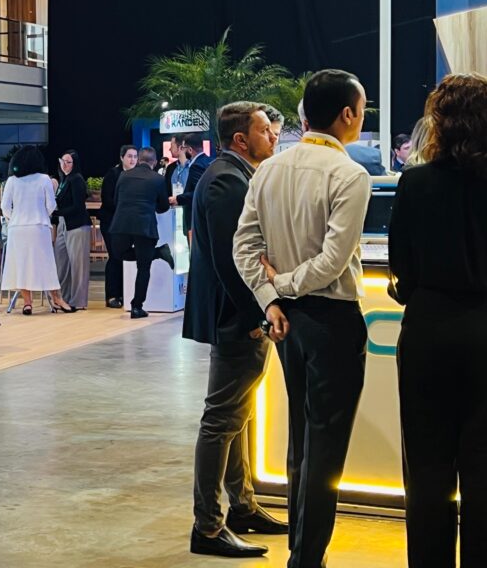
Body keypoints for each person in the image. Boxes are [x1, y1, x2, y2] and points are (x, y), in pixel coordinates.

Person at [388, 74, 487, 568]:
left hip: (429, 331)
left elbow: (401, 267)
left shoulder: (414, 183)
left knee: (427, 470)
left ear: (439, 120)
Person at [233, 69, 370, 568]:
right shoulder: (350, 175)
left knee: (302, 438)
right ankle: (307, 558)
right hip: (332, 318)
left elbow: (244, 246)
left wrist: (271, 298)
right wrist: (284, 288)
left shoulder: (268, 169)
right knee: (325, 446)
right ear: (347, 114)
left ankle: (302, 551)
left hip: (286, 320)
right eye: (362, 110)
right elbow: (333, 261)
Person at [185, 102, 287, 559]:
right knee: (221, 418)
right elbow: (235, 261)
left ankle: (242, 506)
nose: (274, 136)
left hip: (237, 315)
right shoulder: (227, 179)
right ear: (241, 139)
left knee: (237, 416)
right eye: (265, 130)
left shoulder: (234, 174)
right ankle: (208, 527)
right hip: (236, 318)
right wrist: (256, 316)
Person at [0, 146, 75, 315]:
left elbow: (5, 207)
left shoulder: (12, 180)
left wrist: (15, 218)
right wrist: (42, 214)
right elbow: (51, 205)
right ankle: (57, 299)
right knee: (46, 264)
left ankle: (27, 303)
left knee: (21, 265)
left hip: (17, 229)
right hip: (39, 227)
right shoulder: (44, 179)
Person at [110, 146, 171, 319]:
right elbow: (163, 207)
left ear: (139, 160)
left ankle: (158, 253)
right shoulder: (158, 179)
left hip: (122, 224)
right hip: (145, 226)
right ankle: (137, 307)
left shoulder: (124, 175)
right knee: (143, 268)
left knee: (119, 254)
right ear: (154, 162)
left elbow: (116, 199)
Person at [100, 145, 139, 308]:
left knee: (124, 257)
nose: (132, 159)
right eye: (129, 156)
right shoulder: (113, 174)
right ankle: (112, 295)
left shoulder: (137, 175)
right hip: (111, 223)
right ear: (122, 157)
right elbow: (107, 200)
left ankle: (124, 293)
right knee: (115, 256)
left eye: (135, 156)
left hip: (127, 224)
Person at [53, 149, 91, 310]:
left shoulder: (76, 179)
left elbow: (78, 206)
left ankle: (78, 301)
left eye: (69, 162)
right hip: (64, 224)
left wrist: (56, 212)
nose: (65, 165)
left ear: (74, 164)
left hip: (77, 225)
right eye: (63, 161)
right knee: (62, 261)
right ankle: (63, 298)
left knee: (78, 266)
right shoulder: (64, 180)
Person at [174, 132, 213, 236]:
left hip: (196, 220)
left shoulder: (196, 166)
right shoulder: (210, 161)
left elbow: (198, 192)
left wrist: (178, 199)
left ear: (190, 150)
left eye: (183, 148)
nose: (182, 151)